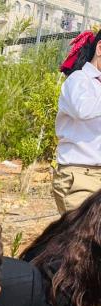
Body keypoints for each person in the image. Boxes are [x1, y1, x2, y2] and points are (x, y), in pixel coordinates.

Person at [53, 30, 101, 213]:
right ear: (100, 48)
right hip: (80, 176)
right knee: (86, 231)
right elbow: (83, 109)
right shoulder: (78, 80)